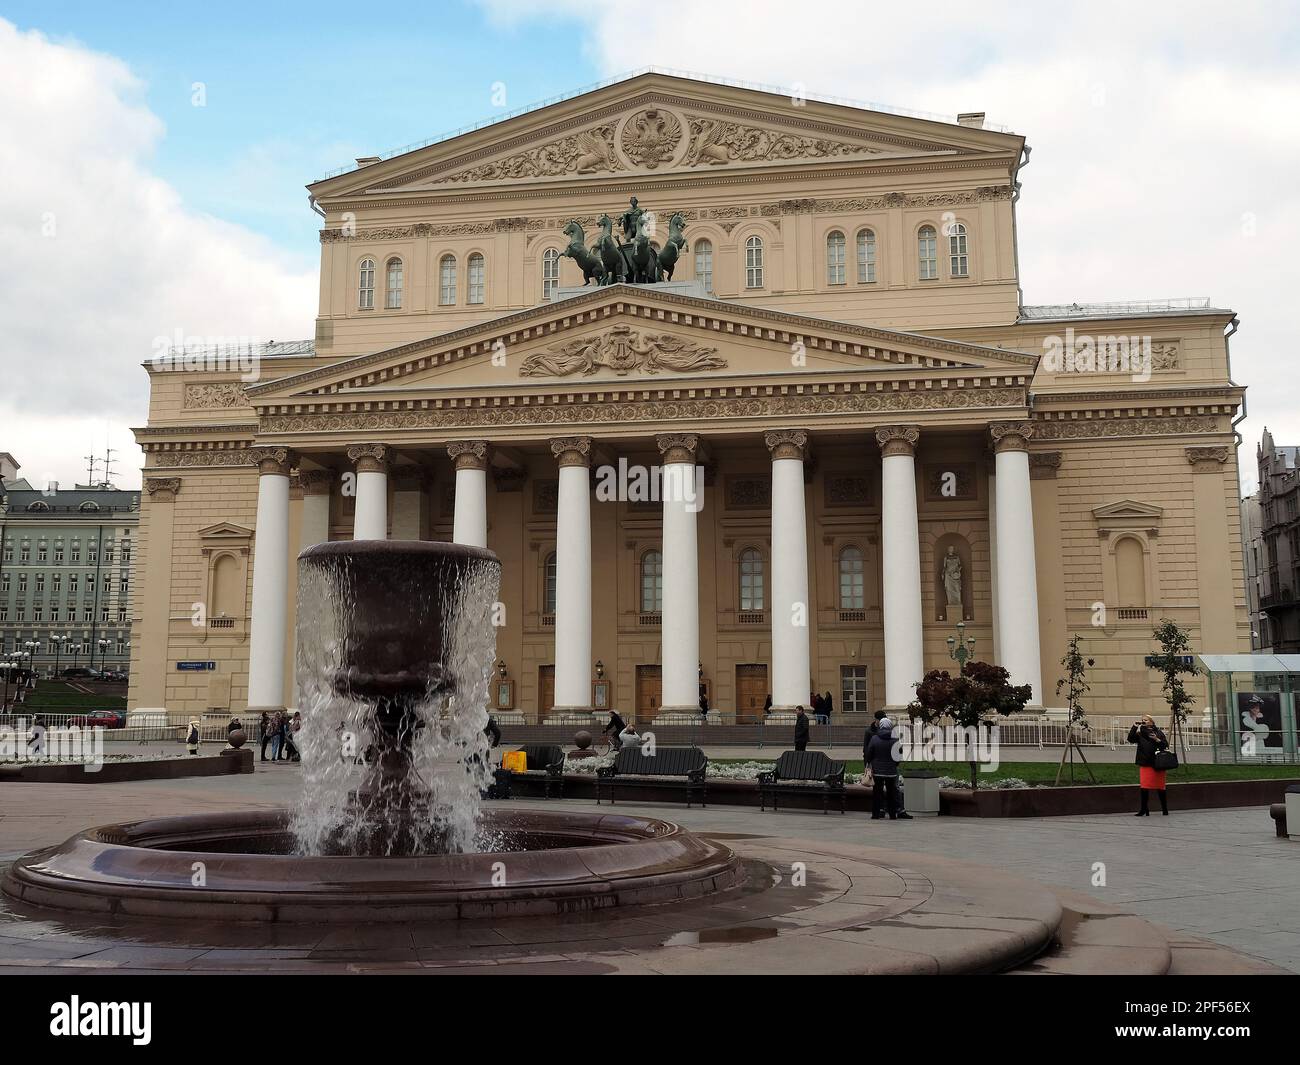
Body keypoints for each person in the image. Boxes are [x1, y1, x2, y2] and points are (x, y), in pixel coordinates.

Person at [864, 711, 911, 818]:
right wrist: (895, 764)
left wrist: (869, 763)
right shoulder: (895, 739)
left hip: (877, 771)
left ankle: (876, 814)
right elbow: (899, 754)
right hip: (891, 771)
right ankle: (892, 814)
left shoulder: (874, 738)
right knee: (891, 792)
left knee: (877, 792)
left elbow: (869, 753)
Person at [1127, 715, 1169, 815]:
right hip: (1145, 763)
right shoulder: (1140, 733)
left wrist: (1157, 739)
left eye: (1145, 720)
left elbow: (1165, 745)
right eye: (1142, 720)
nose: (1143, 721)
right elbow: (1130, 739)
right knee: (1144, 787)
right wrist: (1134, 727)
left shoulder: (1158, 732)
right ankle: (1144, 809)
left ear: (1151, 722)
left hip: (1158, 763)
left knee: (1160, 787)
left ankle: (1164, 809)